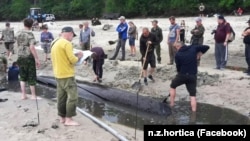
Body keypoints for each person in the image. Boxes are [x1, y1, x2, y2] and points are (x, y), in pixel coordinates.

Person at [51, 26, 83, 126]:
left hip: (57, 73)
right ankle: (69, 119)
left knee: (61, 97)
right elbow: (73, 60)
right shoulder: (67, 43)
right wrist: (79, 56)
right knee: (72, 97)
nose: (72, 37)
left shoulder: (55, 42)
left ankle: (62, 117)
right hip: (67, 74)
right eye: (72, 35)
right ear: (70, 33)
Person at [169, 41, 210, 112]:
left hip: (182, 75)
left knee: (173, 86)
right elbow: (207, 47)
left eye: (176, 48)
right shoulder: (193, 47)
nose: (176, 49)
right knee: (192, 95)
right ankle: (193, 113)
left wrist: (179, 73)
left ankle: (172, 104)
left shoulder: (178, 55)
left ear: (178, 46)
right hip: (192, 76)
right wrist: (200, 53)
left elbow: (178, 67)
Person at [16, 18, 40, 100]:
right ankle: (33, 96)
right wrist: (36, 58)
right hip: (28, 57)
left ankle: (23, 95)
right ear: (31, 25)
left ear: (24, 24)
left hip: (20, 56)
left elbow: (17, 43)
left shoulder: (18, 32)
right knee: (31, 75)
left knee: (22, 76)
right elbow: (32, 47)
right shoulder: (30, 34)